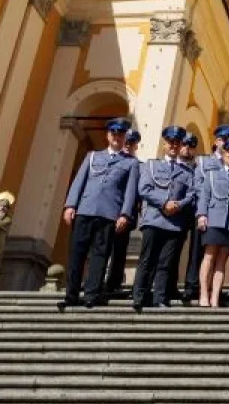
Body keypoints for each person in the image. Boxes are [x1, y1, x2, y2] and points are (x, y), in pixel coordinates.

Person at [58, 117, 139, 311]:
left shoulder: (130, 163)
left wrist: (125, 215)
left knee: (100, 255)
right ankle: (71, 295)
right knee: (77, 254)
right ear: (108, 135)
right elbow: (79, 181)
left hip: (109, 214)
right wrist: (70, 205)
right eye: (114, 133)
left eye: (121, 134)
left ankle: (91, 294)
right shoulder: (93, 156)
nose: (117, 137)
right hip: (85, 210)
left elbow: (130, 192)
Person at [130, 125, 196, 311]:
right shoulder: (151, 165)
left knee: (166, 263)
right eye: (170, 143)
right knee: (147, 259)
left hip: (175, 223)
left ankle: (160, 297)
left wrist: (177, 205)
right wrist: (164, 202)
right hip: (153, 219)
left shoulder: (187, 172)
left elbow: (191, 194)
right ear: (165, 144)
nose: (174, 146)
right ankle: (139, 296)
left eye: (177, 143)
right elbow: (144, 189)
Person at [196, 137, 229, 308]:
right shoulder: (212, 174)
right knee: (209, 257)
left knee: (222, 261)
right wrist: (201, 215)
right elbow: (204, 197)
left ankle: (215, 297)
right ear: (224, 153)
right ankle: (204, 294)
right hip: (213, 220)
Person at [104, 128, 143, 295]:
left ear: (136, 146)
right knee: (102, 246)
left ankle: (114, 281)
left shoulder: (140, 166)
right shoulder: (112, 161)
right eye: (126, 142)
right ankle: (98, 279)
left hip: (128, 214)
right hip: (107, 210)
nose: (128, 146)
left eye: (132, 143)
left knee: (120, 248)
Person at [176, 132, 203, 304]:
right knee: (173, 249)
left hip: (195, 212)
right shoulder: (171, 165)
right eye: (184, 145)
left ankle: (191, 286)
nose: (187, 149)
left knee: (195, 251)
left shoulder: (198, 167)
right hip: (177, 213)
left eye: (191, 146)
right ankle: (169, 285)